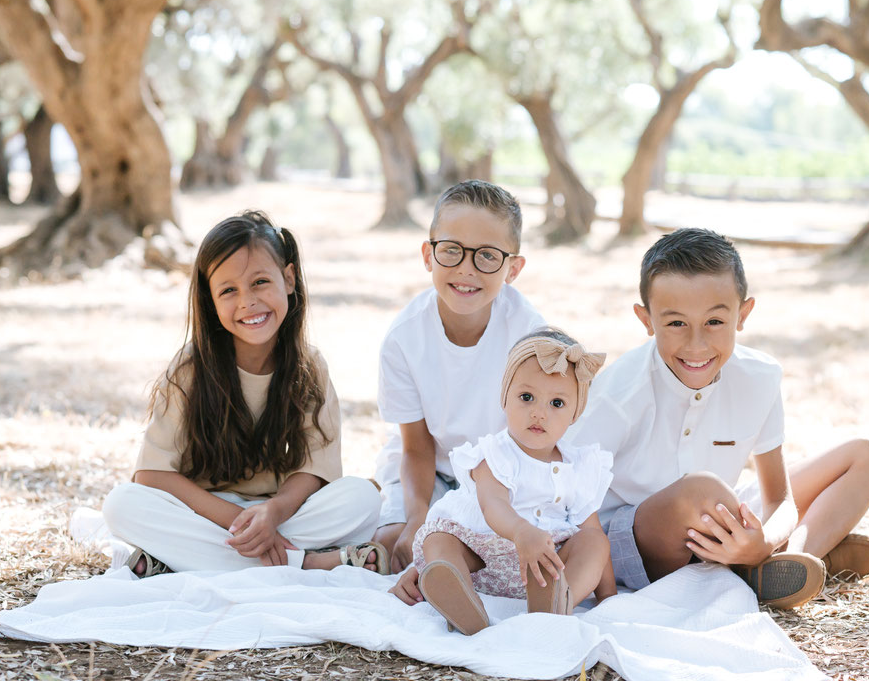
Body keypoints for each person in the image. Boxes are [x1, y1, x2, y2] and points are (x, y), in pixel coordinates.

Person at [564, 228, 869, 608]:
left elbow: (777, 497)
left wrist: (764, 542)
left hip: (721, 515)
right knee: (701, 491)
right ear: (646, 319)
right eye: (676, 324)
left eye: (714, 322)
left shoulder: (760, 377)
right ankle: (760, 566)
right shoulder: (619, 395)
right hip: (628, 538)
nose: (697, 344)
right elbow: (565, 499)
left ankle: (791, 559)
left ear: (743, 314)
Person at [102, 211, 384, 576]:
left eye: (260, 282)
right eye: (228, 290)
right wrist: (243, 521)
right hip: (205, 512)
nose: (247, 302)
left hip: (281, 514)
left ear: (289, 279)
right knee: (121, 505)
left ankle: (183, 561)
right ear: (211, 300)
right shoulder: (191, 367)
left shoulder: (309, 367)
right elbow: (151, 476)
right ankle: (304, 563)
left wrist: (272, 513)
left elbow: (315, 471)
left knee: (362, 499)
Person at [390, 329, 616, 635]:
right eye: (526, 397)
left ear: (576, 412)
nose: (539, 413)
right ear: (504, 399)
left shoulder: (581, 465)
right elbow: (492, 503)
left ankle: (558, 601)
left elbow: (593, 535)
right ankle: (457, 593)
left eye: (557, 404)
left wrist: (609, 599)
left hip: (546, 566)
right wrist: (522, 532)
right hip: (481, 557)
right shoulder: (494, 455)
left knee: (594, 541)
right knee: (440, 540)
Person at [371, 180, 545, 572]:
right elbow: (416, 447)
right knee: (393, 541)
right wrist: (418, 516)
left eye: (486, 256)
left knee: (479, 545)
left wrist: (484, 505)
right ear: (428, 255)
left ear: (513, 269)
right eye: (451, 251)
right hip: (431, 469)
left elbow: (534, 443)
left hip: (505, 473)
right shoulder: (404, 339)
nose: (466, 269)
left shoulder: (529, 336)